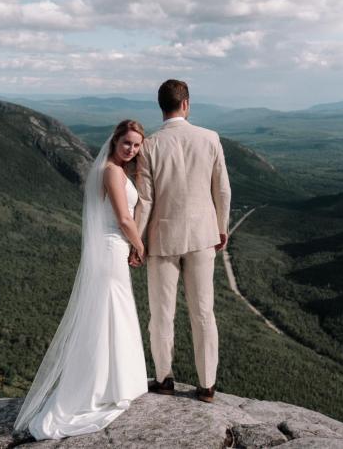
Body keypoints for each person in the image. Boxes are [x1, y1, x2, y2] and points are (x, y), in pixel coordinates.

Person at [13, 120, 148, 440]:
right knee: (109, 312)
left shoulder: (115, 169)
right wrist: (140, 246)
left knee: (111, 313)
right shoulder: (113, 172)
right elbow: (123, 218)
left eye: (137, 145)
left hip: (113, 247)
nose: (131, 149)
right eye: (127, 143)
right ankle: (103, 386)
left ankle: (113, 381)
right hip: (112, 247)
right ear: (115, 141)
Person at [130, 79, 231, 403]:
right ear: (186, 104)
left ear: (161, 107)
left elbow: (145, 200)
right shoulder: (210, 138)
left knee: (161, 314)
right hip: (203, 235)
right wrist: (221, 228)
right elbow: (223, 190)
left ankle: (163, 378)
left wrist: (138, 241)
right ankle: (207, 385)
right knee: (204, 312)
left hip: (162, 239)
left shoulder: (150, 145)